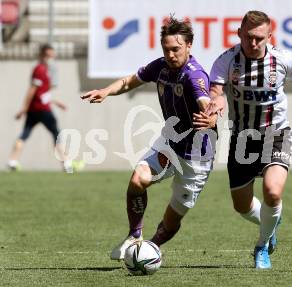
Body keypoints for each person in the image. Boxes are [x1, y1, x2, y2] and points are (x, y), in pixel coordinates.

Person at [194, 10, 292, 269]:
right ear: (239, 34)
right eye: (248, 37)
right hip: (242, 138)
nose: (254, 43)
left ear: (270, 36)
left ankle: (261, 247)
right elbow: (216, 91)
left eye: (259, 38)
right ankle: (271, 221)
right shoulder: (226, 61)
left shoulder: (282, 59)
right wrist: (216, 104)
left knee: (272, 192)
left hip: (276, 134)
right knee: (242, 206)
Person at [81, 17, 217, 260]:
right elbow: (130, 81)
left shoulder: (194, 76)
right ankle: (135, 235)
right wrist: (106, 92)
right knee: (137, 180)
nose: (170, 54)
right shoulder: (161, 67)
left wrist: (211, 118)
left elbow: (205, 102)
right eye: (166, 49)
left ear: (189, 46)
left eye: (175, 49)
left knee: (173, 217)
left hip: (196, 156)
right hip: (170, 145)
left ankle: (149, 249)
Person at [7, 43, 71, 172]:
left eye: (52, 55)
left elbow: (41, 93)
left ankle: (12, 161)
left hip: (35, 109)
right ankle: (66, 163)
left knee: (25, 133)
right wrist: (24, 108)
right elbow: (32, 90)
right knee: (56, 133)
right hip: (41, 109)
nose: (50, 58)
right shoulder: (40, 69)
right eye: (48, 55)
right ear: (42, 54)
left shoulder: (44, 70)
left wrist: (55, 102)